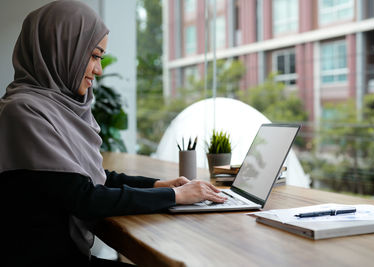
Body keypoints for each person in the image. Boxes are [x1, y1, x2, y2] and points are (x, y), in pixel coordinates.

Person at [0, 1, 226, 266]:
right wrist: (176, 197)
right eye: (94, 56)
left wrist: (159, 185)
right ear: (60, 49)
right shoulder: (23, 111)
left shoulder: (55, 108)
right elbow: (84, 197)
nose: (99, 70)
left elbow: (89, 178)